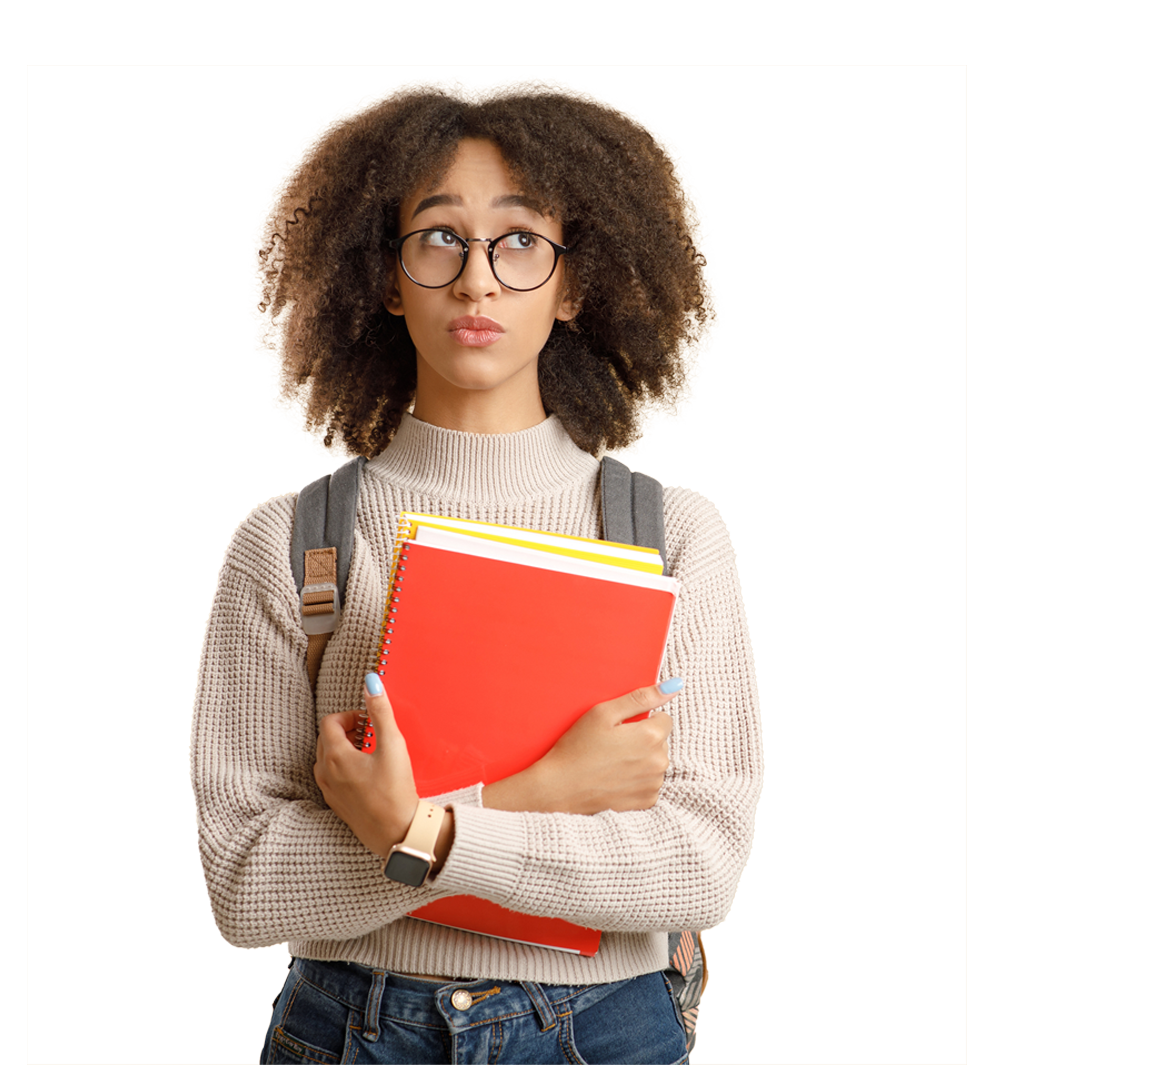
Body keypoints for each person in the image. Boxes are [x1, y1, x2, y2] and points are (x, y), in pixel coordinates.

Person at [191, 83, 764, 1065]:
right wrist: (539, 791)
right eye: (438, 238)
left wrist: (415, 830)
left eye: (519, 241)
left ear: (573, 285)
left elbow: (694, 872)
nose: (476, 282)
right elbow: (248, 884)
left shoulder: (671, 538)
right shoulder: (290, 543)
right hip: (353, 1031)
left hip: (606, 1031)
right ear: (385, 277)